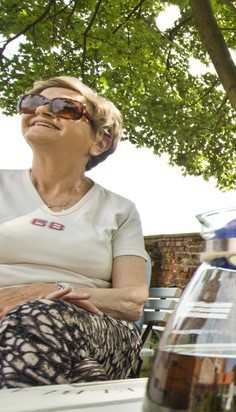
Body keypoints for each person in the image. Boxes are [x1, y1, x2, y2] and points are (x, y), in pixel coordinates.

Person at [0, 76, 148, 388]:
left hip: (96, 328)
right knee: (73, 366)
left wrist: (49, 292)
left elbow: (132, 301)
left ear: (100, 141)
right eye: (32, 103)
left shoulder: (119, 210)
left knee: (37, 321)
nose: (42, 111)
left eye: (65, 107)